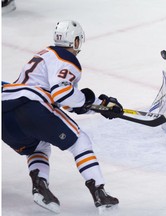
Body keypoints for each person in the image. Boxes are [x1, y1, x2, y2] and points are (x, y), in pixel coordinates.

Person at [2, 20, 123, 213]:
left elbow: (67, 102)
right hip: (32, 106)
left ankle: (40, 186)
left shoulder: (44, 54)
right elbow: (63, 94)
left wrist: (99, 106)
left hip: (5, 114)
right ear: (75, 41)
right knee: (80, 141)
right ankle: (99, 192)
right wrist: (89, 99)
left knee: (38, 146)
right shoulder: (67, 58)